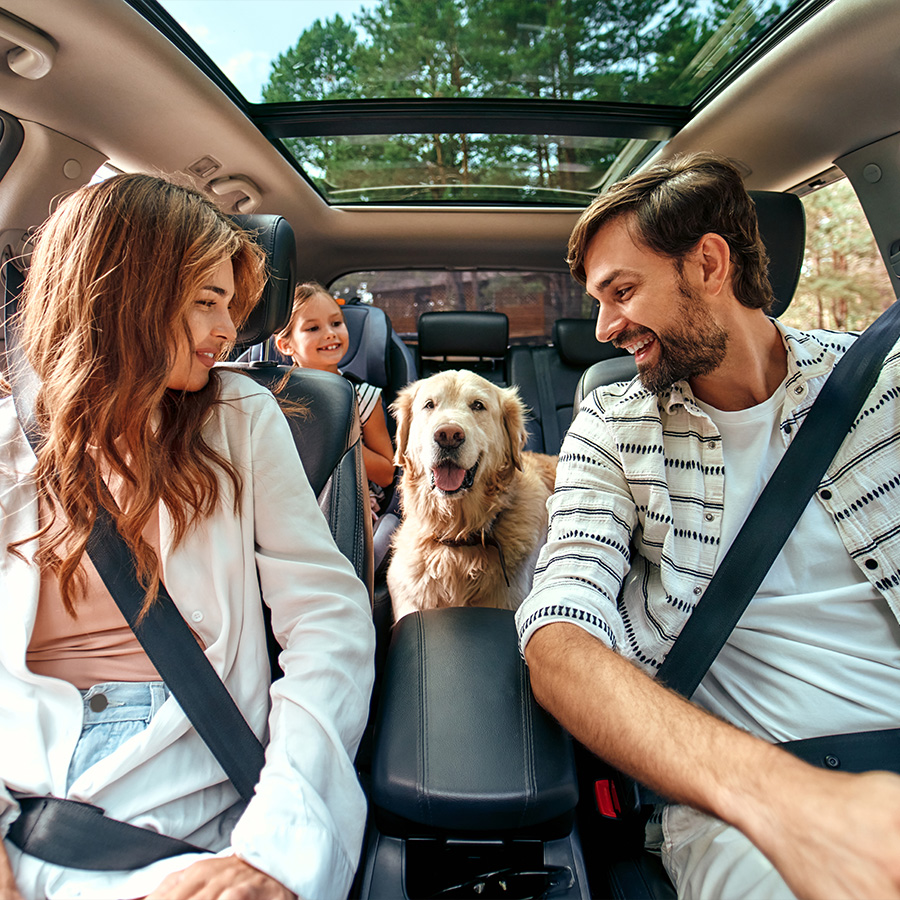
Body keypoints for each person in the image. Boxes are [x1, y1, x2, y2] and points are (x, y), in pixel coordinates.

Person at [516, 153, 900, 899]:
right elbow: (560, 637)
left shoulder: (884, 384)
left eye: (622, 291)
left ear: (709, 264)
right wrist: (788, 802)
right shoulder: (613, 424)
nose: (603, 327)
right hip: (741, 801)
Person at [0, 175, 375, 900]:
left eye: (231, 306)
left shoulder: (239, 416)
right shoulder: (6, 443)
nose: (228, 332)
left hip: (180, 797)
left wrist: (275, 847)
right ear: (117, 289)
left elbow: (327, 622)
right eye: (206, 301)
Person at [273, 283, 395, 517]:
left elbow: (386, 474)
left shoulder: (365, 397)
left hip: (351, 501)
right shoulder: (275, 398)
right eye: (313, 328)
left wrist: (337, 441)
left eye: (336, 323)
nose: (330, 333)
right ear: (286, 344)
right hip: (289, 501)